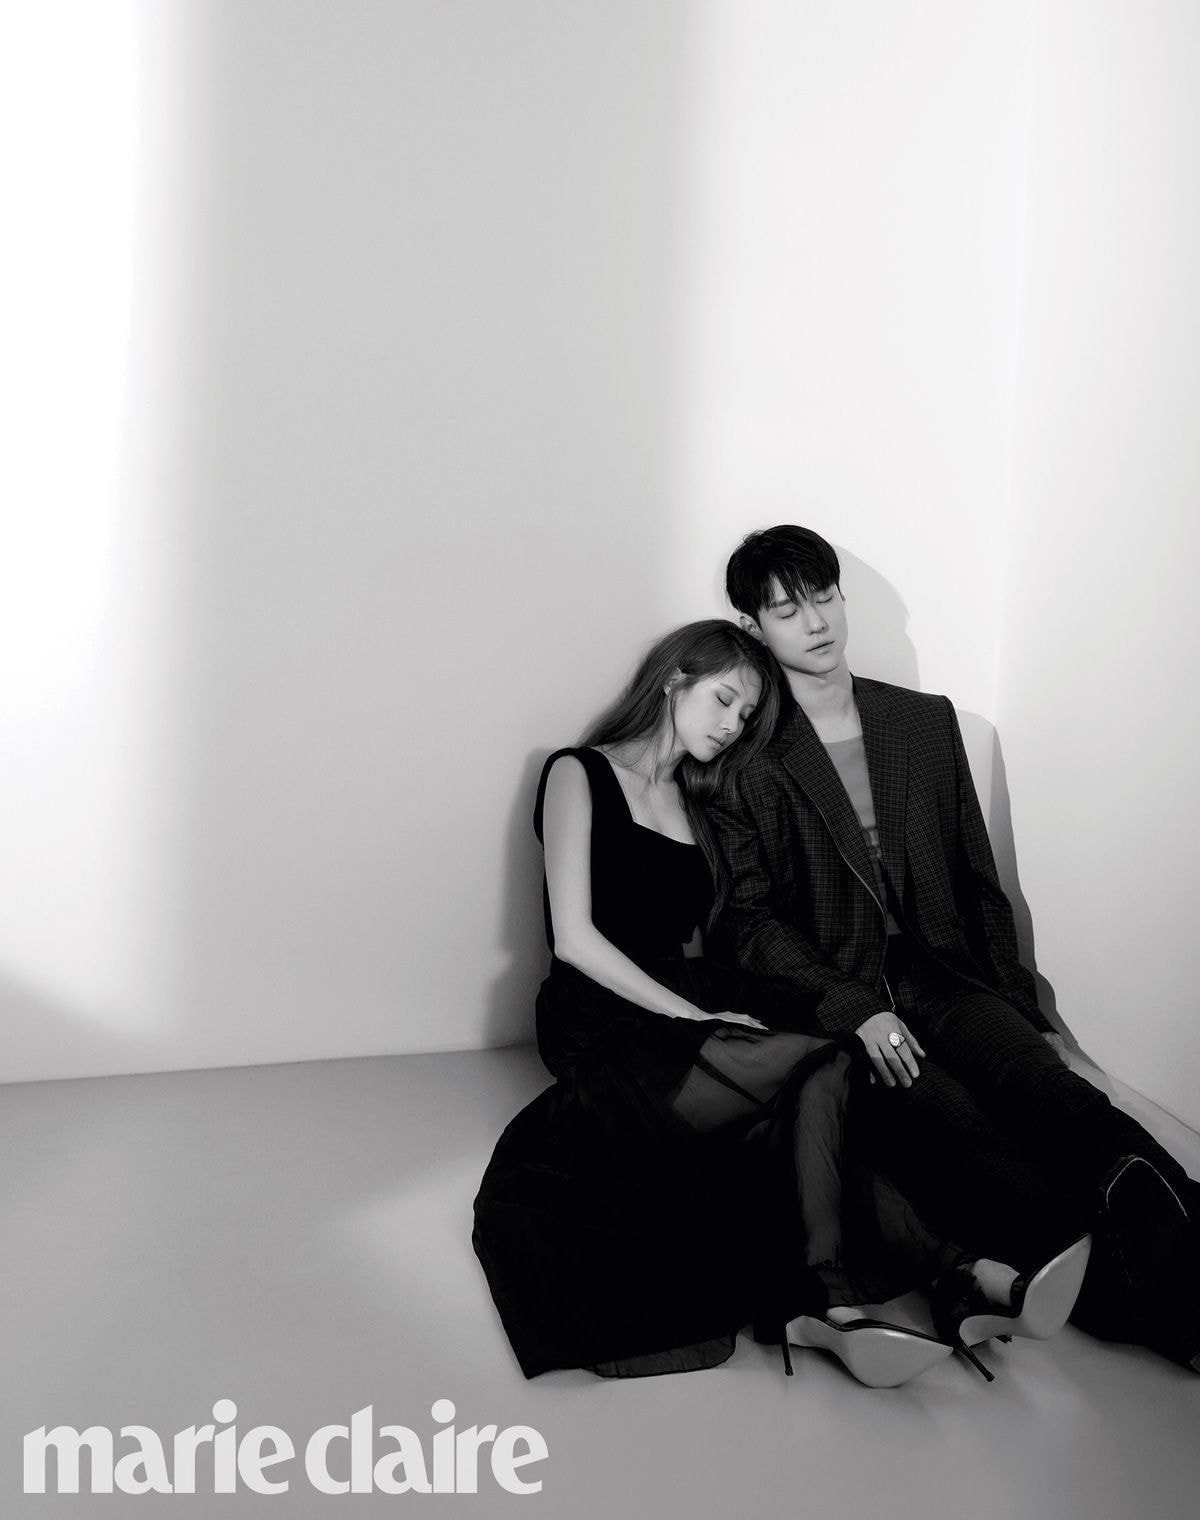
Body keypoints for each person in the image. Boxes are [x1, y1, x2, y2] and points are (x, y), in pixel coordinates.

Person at [473, 620, 1087, 1386]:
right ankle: (870, 1290)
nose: (731, 725)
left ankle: (947, 1279)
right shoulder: (578, 771)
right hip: (602, 1017)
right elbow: (573, 939)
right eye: (724, 700)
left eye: (744, 715)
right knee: (818, 1066)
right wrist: (694, 1019)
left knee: (812, 1090)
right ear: (674, 678)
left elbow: (719, 927)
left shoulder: (696, 798)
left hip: (685, 997)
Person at [709, 524, 1199, 1371]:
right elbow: (749, 921)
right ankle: (1168, 1316)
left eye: (824, 596)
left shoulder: (922, 721)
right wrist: (852, 1009)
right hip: (848, 996)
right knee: (967, 1140)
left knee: (1060, 1100)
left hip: (944, 972)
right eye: (788, 611)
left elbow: (979, 878)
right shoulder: (744, 752)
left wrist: (1020, 1006)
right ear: (754, 628)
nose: (816, 622)